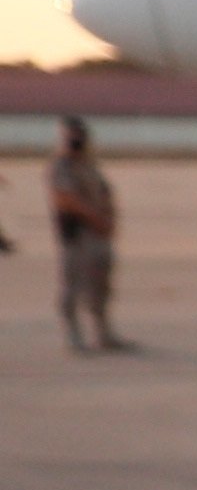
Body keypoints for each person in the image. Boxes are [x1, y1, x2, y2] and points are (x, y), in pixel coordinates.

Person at [46, 116, 122, 353]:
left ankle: (103, 333)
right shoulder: (61, 166)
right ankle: (73, 336)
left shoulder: (89, 165)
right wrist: (97, 219)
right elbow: (66, 199)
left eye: (80, 135)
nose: (77, 139)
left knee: (100, 285)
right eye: (72, 135)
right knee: (73, 285)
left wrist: (109, 221)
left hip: (99, 236)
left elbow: (105, 193)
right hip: (77, 234)